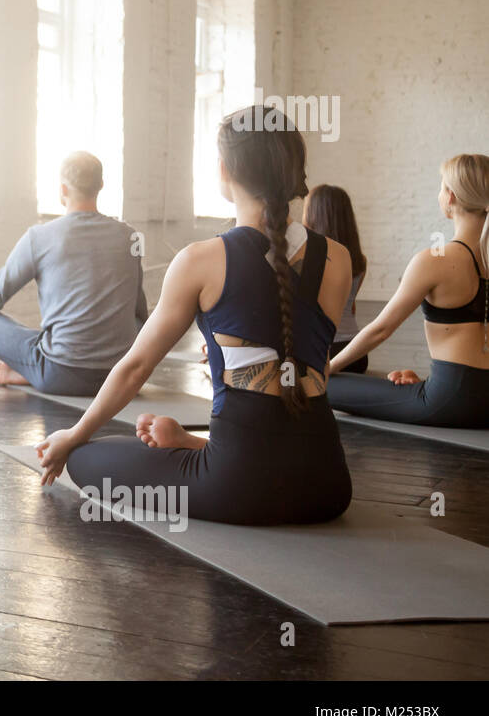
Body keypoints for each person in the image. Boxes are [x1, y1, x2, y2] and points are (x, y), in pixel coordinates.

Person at [32, 107, 354, 526]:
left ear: (224, 169)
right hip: (327, 486)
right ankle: (193, 444)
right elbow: (314, 365)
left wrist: (73, 437)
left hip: (239, 487)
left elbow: (135, 367)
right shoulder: (338, 257)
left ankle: (198, 450)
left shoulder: (200, 260)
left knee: (87, 458)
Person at [0, 151, 147, 396]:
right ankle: (30, 371)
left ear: (63, 189)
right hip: (122, 378)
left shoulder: (40, 237)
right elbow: (139, 309)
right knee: (133, 322)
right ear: (101, 186)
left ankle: (30, 372)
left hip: (61, 375)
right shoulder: (130, 236)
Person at [326, 154, 489, 427]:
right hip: (474, 398)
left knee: (321, 386)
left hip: (452, 399)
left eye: (441, 186)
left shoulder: (435, 259)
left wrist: (328, 367)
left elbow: (381, 329)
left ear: (450, 197)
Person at [303, 184, 369, 373]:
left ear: (314, 215)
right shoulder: (360, 261)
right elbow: (351, 307)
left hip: (323, 352)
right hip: (355, 352)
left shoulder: (306, 257)